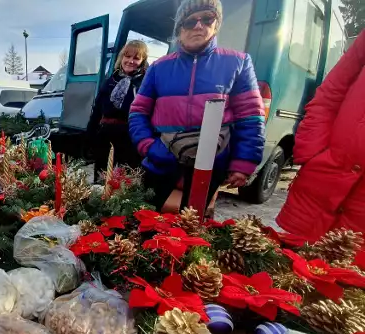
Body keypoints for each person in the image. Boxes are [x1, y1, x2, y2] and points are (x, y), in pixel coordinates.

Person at [129, 0, 265, 212]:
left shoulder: (237, 63)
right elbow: (138, 112)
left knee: (191, 222)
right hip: (161, 159)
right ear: (179, 29)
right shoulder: (159, 68)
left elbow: (251, 117)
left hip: (211, 164)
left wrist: (243, 161)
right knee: (145, 216)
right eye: (190, 21)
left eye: (207, 18)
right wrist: (149, 146)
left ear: (216, 23)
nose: (199, 26)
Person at [277, 30, 365, 238]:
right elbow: (330, 93)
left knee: (345, 268)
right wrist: (312, 151)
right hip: (323, 180)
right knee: (286, 263)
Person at [87, 40, 148, 181]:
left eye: (136, 58)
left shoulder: (145, 83)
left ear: (143, 61)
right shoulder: (110, 81)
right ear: (122, 58)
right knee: (101, 180)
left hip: (130, 139)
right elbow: (97, 111)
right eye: (127, 56)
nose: (130, 61)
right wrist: (90, 137)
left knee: (126, 183)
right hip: (105, 137)